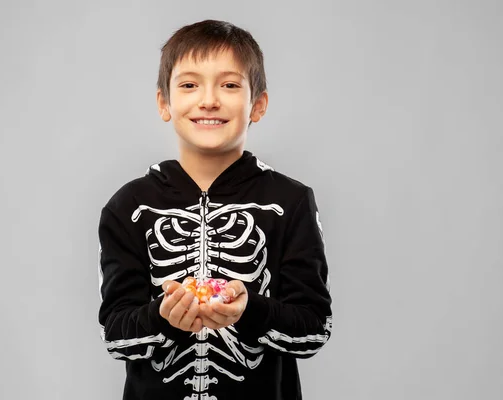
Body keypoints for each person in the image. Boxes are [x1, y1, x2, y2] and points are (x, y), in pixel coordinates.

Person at [97, 19, 332, 400]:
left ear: (258, 105)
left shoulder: (289, 202)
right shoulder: (129, 207)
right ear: (164, 103)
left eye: (230, 85)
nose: (209, 100)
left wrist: (251, 310)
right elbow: (116, 336)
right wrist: (163, 318)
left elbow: (313, 329)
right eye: (189, 85)